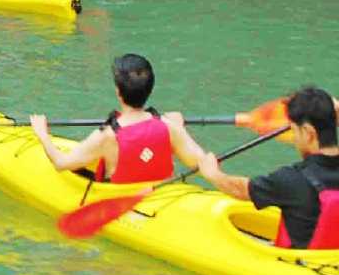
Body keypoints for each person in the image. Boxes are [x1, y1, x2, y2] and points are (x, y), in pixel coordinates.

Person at [199, 86, 339, 249]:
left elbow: (240, 189)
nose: (294, 140)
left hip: (298, 264)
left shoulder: (291, 179)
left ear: (308, 133)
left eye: (294, 132)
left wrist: (213, 173)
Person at [30, 54, 206, 183]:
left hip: (124, 199)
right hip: (163, 192)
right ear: (150, 89)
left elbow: (61, 163)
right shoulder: (169, 126)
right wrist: (179, 128)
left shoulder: (107, 137)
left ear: (118, 93)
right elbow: (202, 163)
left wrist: (42, 134)